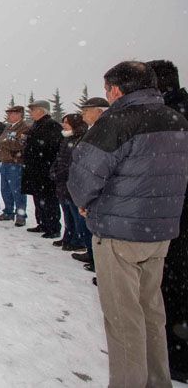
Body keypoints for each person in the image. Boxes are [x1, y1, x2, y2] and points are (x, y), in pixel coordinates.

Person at [68, 61, 188, 387]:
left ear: (117, 89)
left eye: (107, 90)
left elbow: (83, 177)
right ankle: (156, 379)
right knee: (151, 310)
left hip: (120, 233)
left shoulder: (119, 121)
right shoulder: (176, 119)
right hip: (160, 231)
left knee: (123, 317)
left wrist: (86, 203)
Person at [148, 59, 188, 382]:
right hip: (170, 216)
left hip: (174, 220)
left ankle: (178, 355)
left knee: (174, 288)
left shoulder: (170, 119)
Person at [70, 97, 110, 272]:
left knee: (101, 231)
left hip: (100, 190)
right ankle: (92, 255)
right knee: (89, 227)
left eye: (87, 110)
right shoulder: (93, 130)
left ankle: (100, 264)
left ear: (99, 112)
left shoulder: (106, 131)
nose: (83, 114)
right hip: (88, 187)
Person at [21, 100, 62, 239]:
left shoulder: (52, 125)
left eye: (33, 110)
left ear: (41, 111)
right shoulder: (36, 125)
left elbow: (52, 147)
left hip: (45, 170)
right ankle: (42, 223)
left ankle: (53, 227)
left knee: (49, 199)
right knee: (38, 199)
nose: (31, 113)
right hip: (35, 169)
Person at [49, 114, 89, 252]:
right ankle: (68, 236)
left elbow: (74, 162)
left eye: (67, 122)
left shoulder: (81, 138)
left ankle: (79, 240)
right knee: (67, 212)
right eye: (63, 122)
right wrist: (54, 170)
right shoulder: (67, 138)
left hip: (72, 181)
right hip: (62, 182)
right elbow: (60, 157)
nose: (64, 125)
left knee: (76, 213)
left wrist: (61, 173)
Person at [0, 105, 30, 226]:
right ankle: (8, 211)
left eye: (11, 113)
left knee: (17, 190)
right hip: (5, 162)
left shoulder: (24, 128)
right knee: (5, 190)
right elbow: (3, 141)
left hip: (15, 163)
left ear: (19, 114)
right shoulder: (8, 127)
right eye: (8, 113)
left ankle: (21, 215)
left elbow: (19, 144)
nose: (9, 116)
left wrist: (5, 143)